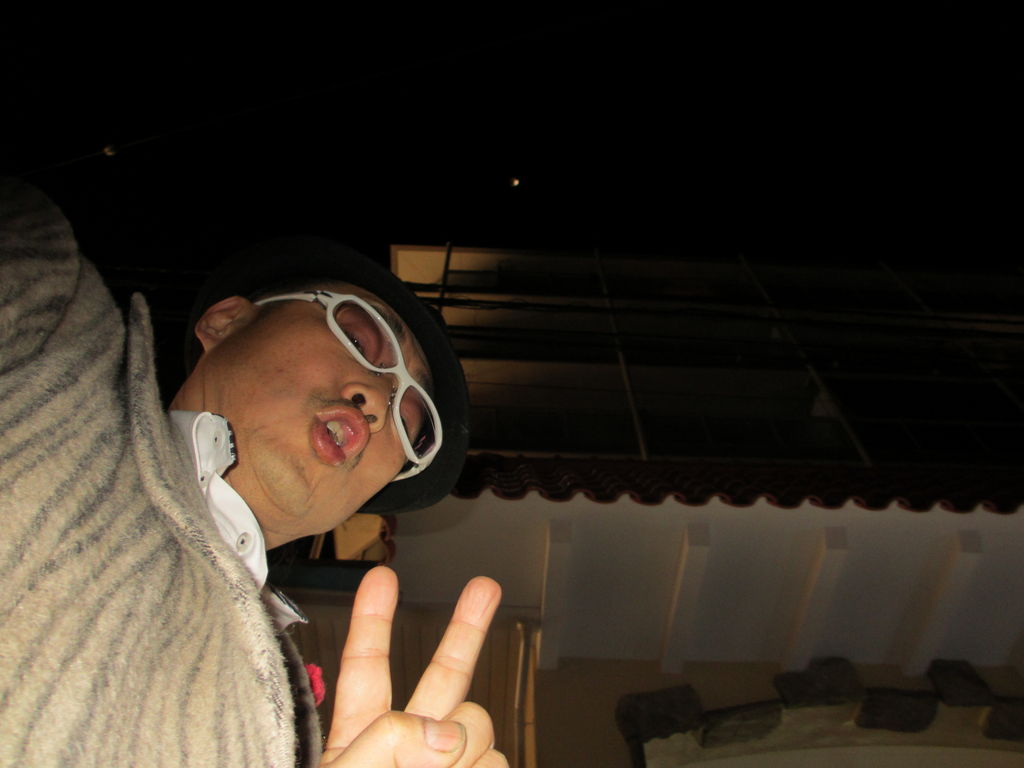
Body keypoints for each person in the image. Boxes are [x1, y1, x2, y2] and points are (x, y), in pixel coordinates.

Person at [0, 178, 505, 768]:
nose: (380, 399)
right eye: (359, 336)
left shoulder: (288, 728)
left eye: (409, 420)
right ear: (226, 322)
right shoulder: (47, 337)